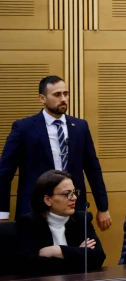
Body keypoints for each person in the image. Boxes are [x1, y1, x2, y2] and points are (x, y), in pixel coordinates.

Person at [0, 76, 111, 230]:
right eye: (57, 95)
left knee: (73, 252)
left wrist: (103, 207)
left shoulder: (80, 127)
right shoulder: (24, 128)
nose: (63, 99)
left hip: (73, 209)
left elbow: (93, 169)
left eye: (66, 94)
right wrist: (2, 213)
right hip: (34, 208)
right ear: (42, 98)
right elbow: (4, 173)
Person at [15, 170, 105, 275]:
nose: (74, 198)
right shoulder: (29, 223)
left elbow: (98, 257)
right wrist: (78, 253)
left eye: (74, 192)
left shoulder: (81, 219)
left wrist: (58, 251)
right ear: (48, 200)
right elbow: (29, 266)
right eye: (67, 194)